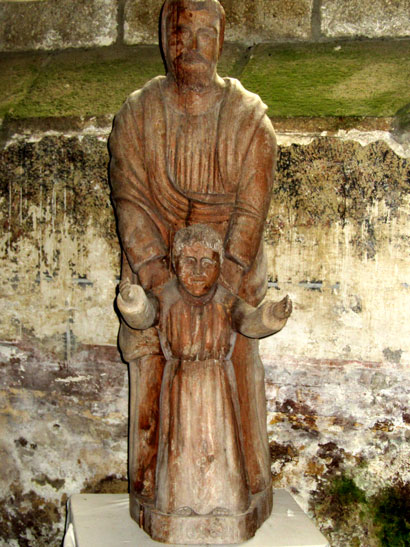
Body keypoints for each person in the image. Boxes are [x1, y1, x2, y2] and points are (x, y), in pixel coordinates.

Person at [109, 0, 277, 509]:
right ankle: (148, 482)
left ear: (222, 39)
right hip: (155, 262)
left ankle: (247, 480)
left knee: (239, 361)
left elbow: (251, 210)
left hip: (232, 267)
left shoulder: (249, 121)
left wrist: (222, 289)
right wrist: (161, 283)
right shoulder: (136, 117)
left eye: (207, 32)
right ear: (166, 37)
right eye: (182, 31)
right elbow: (131, 202)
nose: (194, 44)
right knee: (150, 356)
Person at [117, 225, 292, 518]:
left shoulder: (225, 300)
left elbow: (249, 321)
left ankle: (225, 501)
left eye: (207, 262)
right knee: (181, 447)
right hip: (180, 383)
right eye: (189, 261)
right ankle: (178, 502)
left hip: (217, 384)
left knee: (219, 446)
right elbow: (145, 315)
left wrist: (271, 315)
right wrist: (132, 301)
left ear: (218, 266)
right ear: (175, 263)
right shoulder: (166, 296)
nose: (198, 270)